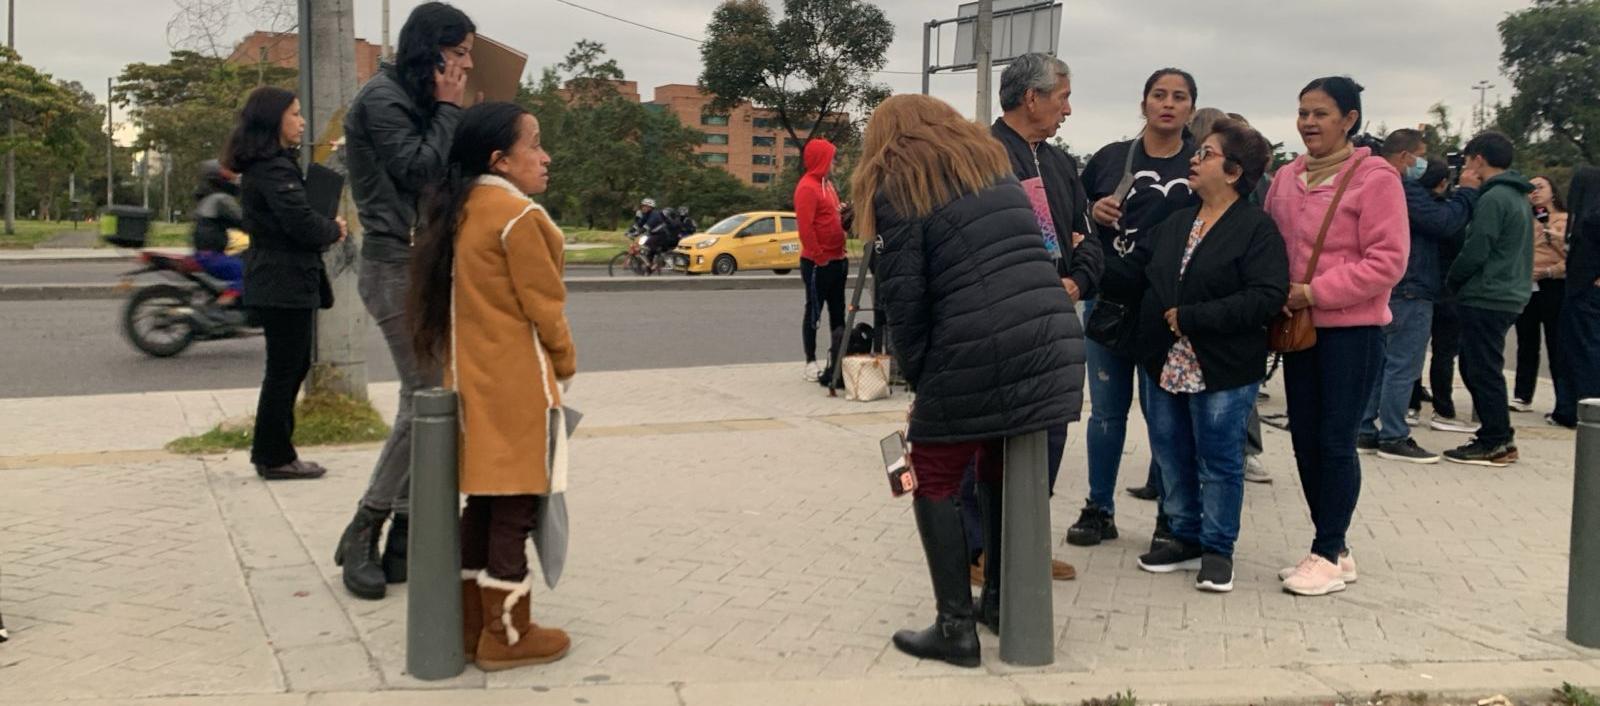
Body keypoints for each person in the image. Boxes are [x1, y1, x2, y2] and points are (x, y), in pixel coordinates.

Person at [855, 93, 1083, 668]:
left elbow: (905, 303)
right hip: (1049, 337)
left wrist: (923, 386)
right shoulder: (993, 173)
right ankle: (1001, 604)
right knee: (996, 465)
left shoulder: (899, 188)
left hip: (978, 346)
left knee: (928, 473)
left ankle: (955, 627)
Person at [409, 102, 573, 672]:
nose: (545, 157)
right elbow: (545, 309)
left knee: (484, 501)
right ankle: (507, 635)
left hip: (471, 381)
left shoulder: (462, 210)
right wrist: (565, 364)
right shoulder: (518, 217)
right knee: (517, 506)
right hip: (518, 385)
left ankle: (470, 623)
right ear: (500, 159)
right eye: (534, 144)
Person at [1105, 118, 1286, 592]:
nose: (1194, 159)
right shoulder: (1176, 222)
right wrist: (1084, 258)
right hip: (1163, 361)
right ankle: (1182, 537)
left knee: (1220, 460)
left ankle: (1217, 549)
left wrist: (1194, 317)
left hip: (1222, 365)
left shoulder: (1256, 230)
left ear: (1232, 171)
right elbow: (1133, 274)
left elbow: (1266, 296)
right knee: (1170, 453)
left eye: (1205, 153)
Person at [337, 1, 475, 600]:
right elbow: (419, 171)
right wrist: (448, 109)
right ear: (434, 50)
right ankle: (365, 528)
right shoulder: (383, 99)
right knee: (426, 398)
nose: (467, 64)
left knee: (426, 397)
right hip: (393, 266)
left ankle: (402, 538)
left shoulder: (416, 100)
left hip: (424, 264)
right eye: (461, 53)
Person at [1264, 76, 1407, 596]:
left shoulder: (1376, 178)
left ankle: (1326, 549)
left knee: (1335, 440)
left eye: (1321, 113)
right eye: (1303, 112)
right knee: (1303, 438)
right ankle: (1335, 548)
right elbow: (1270, 245)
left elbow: (1387, 261)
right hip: (1297, 331)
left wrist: (1314, 292)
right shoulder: (1285, 177)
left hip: (1353, 332)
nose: (1308, 123)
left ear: (1349, 119)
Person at [983, 52, 1102, 580]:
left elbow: (1087, 239)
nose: (1068, 110)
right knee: (993, 435)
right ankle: (980, 550)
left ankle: (1025, 540)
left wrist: (1078, 279)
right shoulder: (980, 157)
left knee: (1051, 428)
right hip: (1000, 317)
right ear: (1031, 97)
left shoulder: (1057, 163)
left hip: (1059, 313)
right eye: (1063, 97)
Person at [1067, 67, 1198, 549]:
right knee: (1105, 414)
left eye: (1179, 97)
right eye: (1159, 95)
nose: (1168, 104)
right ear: (1143, 103)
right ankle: (1098, 508)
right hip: (1109, 301)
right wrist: (1093, 213)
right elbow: (1072, 221)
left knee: (1166, 415)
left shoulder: (1201, 163)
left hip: (1169, 310)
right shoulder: (1108, 159)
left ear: (1191, 108)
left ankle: (1171, 516)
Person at [225, 86, 347, 481]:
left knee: (289, 367)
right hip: (283, 279)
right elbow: (300, 222)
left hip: (285, 277)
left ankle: (274, 451)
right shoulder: (273, 168)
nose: (302, 121)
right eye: (295, 114)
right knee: (285, 369)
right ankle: (275, 456)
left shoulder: (272, 164)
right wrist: (333, 228)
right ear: (274, 119)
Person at [1356, 129, 1480, 464]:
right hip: (1410, 287)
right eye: (1420, 155)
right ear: (1406, 157)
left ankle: (1367, 429)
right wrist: (1466, 194)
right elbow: (1443, 222)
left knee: (1383, 363)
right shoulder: (1400, 187)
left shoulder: (1369, 180)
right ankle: (1394, 435)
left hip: (1390, 287)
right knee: (1402, 364)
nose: (1422, 164)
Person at [1442, 132, 1534, 467]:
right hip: (1507, 292)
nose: (1465, 166)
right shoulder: (1518, 196)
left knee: (1482, 368)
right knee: (1477, 364)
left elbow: (1478, 246)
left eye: (1467, 159)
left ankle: (1496, 440)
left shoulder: (1494, 199)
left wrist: (1453, 277)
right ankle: (1494, 434)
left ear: (1478, 159)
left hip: (1488, 293)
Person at [1413, 158, 1477, 432]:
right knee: (1444, 352)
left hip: (1418, 289)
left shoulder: (1412, 209)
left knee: (1411, 352)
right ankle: (1443, 408)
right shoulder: (1452, 215)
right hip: (1447, 291)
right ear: (1443, 183)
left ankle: (1410, 402)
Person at [1511, 175, 1568, 413]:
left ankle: (1563, 400)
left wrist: (1549, 271)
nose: (1534, 191)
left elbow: (1571, 256)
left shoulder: (1564, 220)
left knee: (1556, 344)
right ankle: (1522, 395)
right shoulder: (1526, 219)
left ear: (1553, 191)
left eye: (1540, 187)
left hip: (1553, 284)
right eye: (1530, 188)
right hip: (1527, 285)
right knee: (1526, 341)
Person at [796, 139, 849, 382]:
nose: (834, 163)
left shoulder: (828, 186)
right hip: (819, 263)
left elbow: (831, 216)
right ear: (820, 160)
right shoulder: (807, 187)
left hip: (839, 258)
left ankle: (838, 358)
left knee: (839, 311)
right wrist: (819, 257)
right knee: (814, 311)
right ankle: (810, 360)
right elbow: (806, 228)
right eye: (831, 158)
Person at [1552, 167, 1600, 428]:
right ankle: (1568, 408)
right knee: (1574, 349)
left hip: (1586, 290)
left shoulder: (1593, 218)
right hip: (1577, 288)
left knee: (1586, 351)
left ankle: (1586, 409)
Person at [191, 159, 246, 304]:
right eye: (230, 175)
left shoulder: (208, 199)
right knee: (249, 274)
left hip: (206, 255)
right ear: (219, 179)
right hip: (212, 256)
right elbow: (243, 221)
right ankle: (218, 312)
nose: (235, 178)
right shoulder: (221, 199)